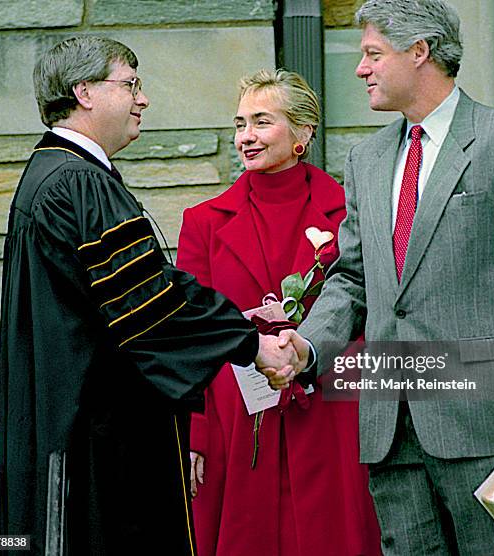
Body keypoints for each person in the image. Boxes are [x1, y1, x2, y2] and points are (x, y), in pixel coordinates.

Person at [263, 1, 494, 554]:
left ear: (420, 51)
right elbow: (353, 276)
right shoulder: (367, 158)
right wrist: (307, 345)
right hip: (390, 428)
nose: (361, 69)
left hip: (486, 425)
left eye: (372, 54)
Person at [0, 36, 294, 556]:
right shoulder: (77, 183)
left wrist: (224, 326)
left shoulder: (48, 174)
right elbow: (151, 307)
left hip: (69, 417)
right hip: (99, 437)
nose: (143, 99)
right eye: (130, 83)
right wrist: (249, 342)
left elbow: (131, 293)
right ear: (84, 91)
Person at [176, 69, 382, 556]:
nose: (245, 136)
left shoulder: (350, 214)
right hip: (237, 418)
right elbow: (190, 336)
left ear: (302, 134)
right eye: (240, 123)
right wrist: (196, 433)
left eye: (261, 122)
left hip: (334, 415)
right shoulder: (203, 223)